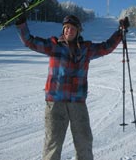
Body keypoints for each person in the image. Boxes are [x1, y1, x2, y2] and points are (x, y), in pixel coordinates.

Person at [15, 14, 129, 160]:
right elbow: (29, 41)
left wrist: (120, 32)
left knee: (84, 141)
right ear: (63, 30)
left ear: (78, 31)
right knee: (52, 143)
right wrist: (21, 24)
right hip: (55, 102)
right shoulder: (53, 45)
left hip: (78, 103)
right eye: (66, 28)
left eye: (73, 28)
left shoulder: (86, 49)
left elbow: (106, 47)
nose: (69, 30)